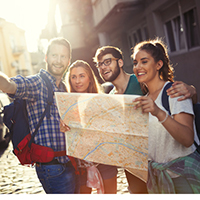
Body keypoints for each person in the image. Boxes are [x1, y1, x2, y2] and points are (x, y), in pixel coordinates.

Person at [93, 45, 197, 193]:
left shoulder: (155, 85)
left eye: (107, 61)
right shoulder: (116, 98)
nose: (138, 67)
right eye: (135, 63)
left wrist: (191, 90)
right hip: (150, 175)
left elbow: (186, 136)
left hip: (181, 176)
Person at [0, 37, 79, 194]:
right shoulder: (37, 83)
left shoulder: (64, 88)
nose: (58, 60)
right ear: (46, 58)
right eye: (54, 55)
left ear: (69, 60)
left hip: (69, 163)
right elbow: (10, 86)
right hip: (52, 168)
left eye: (63, 56)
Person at [132, 38, 200, 193]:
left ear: (158, 64)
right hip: (158, 181)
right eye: (135, 63)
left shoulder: (174, 92)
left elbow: (187, 139)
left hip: (183, 179)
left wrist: (159, 112)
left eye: (144, 61)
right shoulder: (144, 99)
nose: (138, 67)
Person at [63, 60, 118, 194]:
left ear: (90, 78)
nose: (77, 81)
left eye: (82, 76)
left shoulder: (102, 101)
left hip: (105, 161)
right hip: (80, 165)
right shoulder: (66, 105)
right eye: (73, 77)